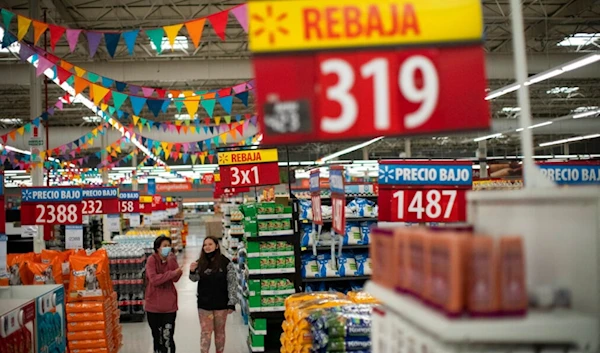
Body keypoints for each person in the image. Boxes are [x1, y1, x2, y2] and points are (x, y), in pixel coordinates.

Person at [189, 236, 237, 353]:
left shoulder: (225, 262)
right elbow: (194, 279)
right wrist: (192, 270)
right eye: (205, 245)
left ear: (216, 246)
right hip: (204, 305)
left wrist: (232, 302)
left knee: (220, 332)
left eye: (210, 244)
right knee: (206, 333)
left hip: (221, 304)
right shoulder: (200, 262)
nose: (207, 247)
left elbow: (232, 282)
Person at [145, 235, 183, 353]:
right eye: (164, 246)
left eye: (169, 245)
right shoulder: (151, 260)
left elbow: (176, 278)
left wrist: (171, 261)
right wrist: (172, 273)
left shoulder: (172, 259)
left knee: (167, 337)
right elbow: (154, 280)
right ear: (157, 248)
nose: (167, 248)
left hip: (169, 306)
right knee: (157, 338)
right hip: (153, 307)